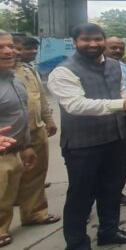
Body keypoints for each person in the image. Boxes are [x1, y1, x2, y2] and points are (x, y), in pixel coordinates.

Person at [47, 23, 126, 250]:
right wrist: (122, 104)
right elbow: (76, 105)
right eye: (86, 40)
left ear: (103, 40)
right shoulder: (63, 71)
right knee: (81, 196)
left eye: (97, 39)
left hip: (115, 139)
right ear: (75, 42)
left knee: (112, 189)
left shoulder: (115, 66)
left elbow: (121, 90)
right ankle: (77, 243)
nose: (92, 44)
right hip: (83, 145)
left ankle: (109, 232)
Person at [12, 36, 60, 228]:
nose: (30, 52)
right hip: (8, 135)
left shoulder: (30, 70)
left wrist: (48, 120)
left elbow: (40, 98)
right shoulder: (5, 73)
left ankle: (34, 213)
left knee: (36, 174)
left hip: (35, 129)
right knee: (6, 177)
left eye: (33, 49)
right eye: (24, 48)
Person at [0, 30, 37, 248]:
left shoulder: (14, 78)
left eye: (10, 46)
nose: (8, 51)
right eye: (0, 47)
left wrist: (26, 145)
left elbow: (23, 112)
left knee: (6, 197)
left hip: (14, 149)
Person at [103, 36, 126, 206]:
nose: (117, 51)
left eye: (120, 48)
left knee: (121, 159)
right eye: (113, 47)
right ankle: (87, 203)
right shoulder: (93, 69)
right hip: (100, 123)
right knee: (97, 165)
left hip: (124, 122)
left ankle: (116, 192)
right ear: (104, 48)